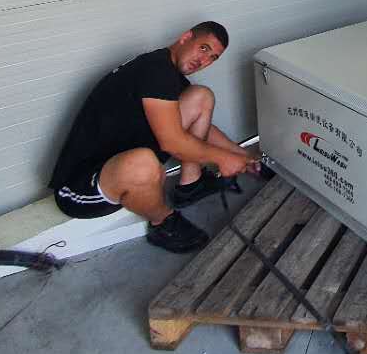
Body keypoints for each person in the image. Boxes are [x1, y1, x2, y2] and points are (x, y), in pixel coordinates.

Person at [47, 21, 261, 253]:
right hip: (80, 189)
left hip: (119, 162)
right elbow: (173, 143)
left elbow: (203, 128)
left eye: (212, 58)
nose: (203, 61)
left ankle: (191, 184)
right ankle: (162, 222)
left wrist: (242, 155)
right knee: (144, 163)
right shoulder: (155, 71)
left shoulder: (167, 73)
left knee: (200, 96)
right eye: (203, 48)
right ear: (186, 37)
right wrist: (222, 159)